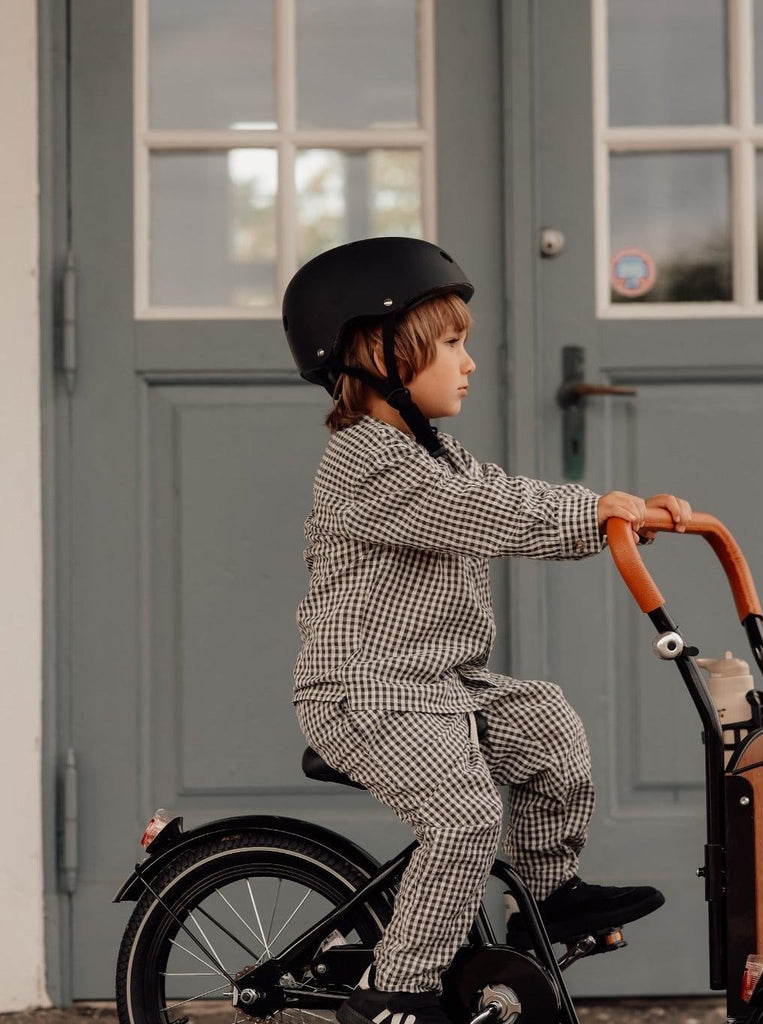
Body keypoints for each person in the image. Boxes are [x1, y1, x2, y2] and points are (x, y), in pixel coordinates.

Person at [282, 237, 692, 1024]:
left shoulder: (433, 452)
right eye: (451, 345)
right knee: (464, 817)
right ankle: (395, 990)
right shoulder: (366, 464)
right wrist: (592, 512)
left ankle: (547, 897)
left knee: (547, 726)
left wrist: (624, 511)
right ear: (379, 353)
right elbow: (489, 513)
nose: (469, 363)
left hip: (441, 685)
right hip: (366, 692)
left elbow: (504, 489)